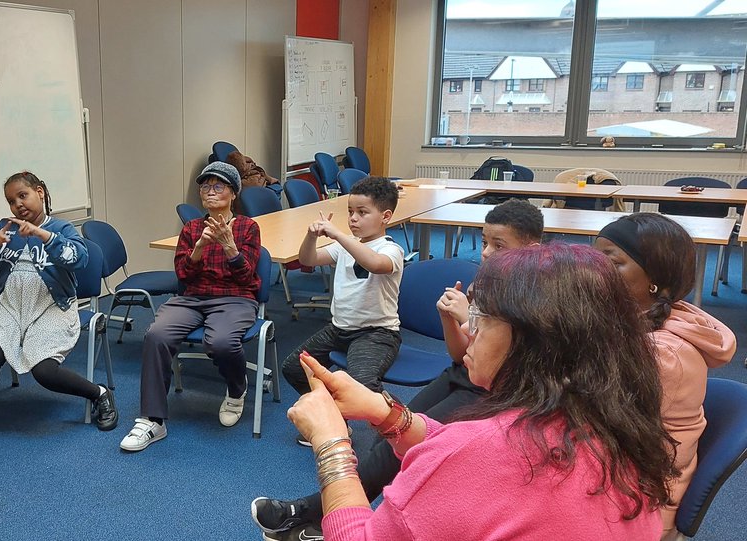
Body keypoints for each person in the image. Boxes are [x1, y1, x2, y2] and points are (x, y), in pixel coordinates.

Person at [286, 243, 675, 540]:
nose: (468, 330)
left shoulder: (480, 448)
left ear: (531, 339)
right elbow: (476, 465)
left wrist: (332, 443)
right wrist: (386, 413)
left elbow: (469, 461)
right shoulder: (616, 422)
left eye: (481, 318)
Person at [252, 199, 544, 539]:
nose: (487, 254)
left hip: (495, 389)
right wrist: (450, 320)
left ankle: (318, 514)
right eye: (483, 243)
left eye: (499, 246)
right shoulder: (485, 285)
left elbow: (513, 371)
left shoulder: (537, 301)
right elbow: (462, 355)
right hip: (465, 372)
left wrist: (468, 318)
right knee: (390, 441)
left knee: (410, 453)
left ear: (531, 249)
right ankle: (329, 517)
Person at [593, 213, 735, 538]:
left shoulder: (662, 354)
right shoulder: (636, 315)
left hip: (641, 505)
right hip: (617, 474)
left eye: (610, 262)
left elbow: (593, 424)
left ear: (654, 279)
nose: (592, 270)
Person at [119, 162, 262, 452]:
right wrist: (197, 248)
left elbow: (247, 277)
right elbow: (183, 277)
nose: (210, 192)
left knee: (220, 342)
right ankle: (153, 419)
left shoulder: (248, 227)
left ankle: (237, 389)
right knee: (157, 335)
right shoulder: (192, 228)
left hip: (235, 298)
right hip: (193, 298)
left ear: (233, 193)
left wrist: (229, 246)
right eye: (205, 186)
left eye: (218, 186)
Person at [0, 171, 117, 431]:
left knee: (44, 371)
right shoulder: (6, 228)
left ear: (40, 192)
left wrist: (43, 235)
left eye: (23, 196)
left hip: (51, 308)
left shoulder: (61, 228)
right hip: (11, 308)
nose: (18, 205)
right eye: (12, 201)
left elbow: (79, 259)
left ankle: (99, 394)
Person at [281, 177, 403, 401]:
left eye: (362, 212)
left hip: (376, 333)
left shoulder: (391, 249)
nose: (353, 218)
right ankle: (334, 414)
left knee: (362, 383)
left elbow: (375, 264)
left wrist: (338, 234)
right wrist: (311, 236)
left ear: (385, 216)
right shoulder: (344, 245)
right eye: (350, 212)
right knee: (294, 368)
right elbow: (307, 259)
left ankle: (397, 418)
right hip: (339, 329)